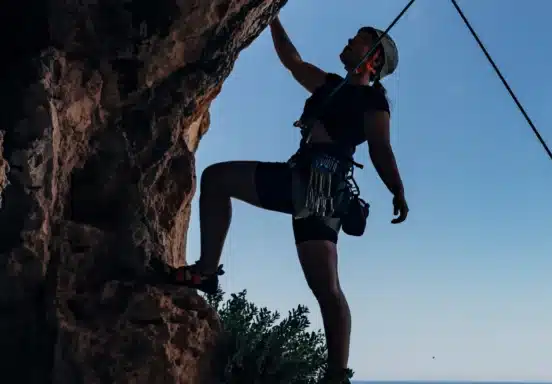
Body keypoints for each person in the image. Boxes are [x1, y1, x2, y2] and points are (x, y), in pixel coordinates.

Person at [164, 17, 408, 383]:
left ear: (372, 59)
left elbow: (380, 147)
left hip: (323, 191)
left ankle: (337, 374)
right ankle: (208, 271)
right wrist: (270, 18)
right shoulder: (329, 85)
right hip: (297, 175)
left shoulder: (373, 98)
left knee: (326, 287)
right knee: (216, 179)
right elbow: (292, 60)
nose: (348, 40)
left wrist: (397, 189)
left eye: (357, 40)